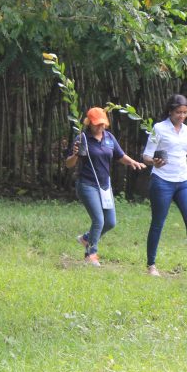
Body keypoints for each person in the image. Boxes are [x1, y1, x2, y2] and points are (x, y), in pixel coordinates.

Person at [141, 94, 187, 278]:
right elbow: (146, 156)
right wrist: (154, 162)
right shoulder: (159, 128)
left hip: (183, 180)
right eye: (178, 112)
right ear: (170, 111)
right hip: (162, 180)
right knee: (158, 222)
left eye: (185, 112)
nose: (182, 116)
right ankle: (151, 265)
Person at [65, 107, 146, 266]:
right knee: (99, 220)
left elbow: (120, 155)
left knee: (110, 222)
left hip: (105, 186)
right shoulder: (82, 138)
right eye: (97, 124)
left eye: (103, 124)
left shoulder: (109, 138)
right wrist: (75, 154)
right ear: (89, 123)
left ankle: (87, 238)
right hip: (87, 184)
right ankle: (91, 254)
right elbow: (69, 164)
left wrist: (133, 162)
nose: (100, 127)